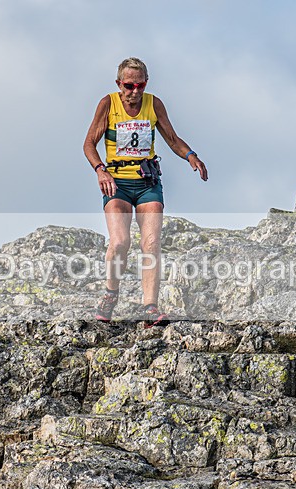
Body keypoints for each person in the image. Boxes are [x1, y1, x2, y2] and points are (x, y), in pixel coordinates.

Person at [83, 57, 208, 327]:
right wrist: (100, 170)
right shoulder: (108, 104)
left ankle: (150, 307)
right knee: (119, 242)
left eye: (140, 85)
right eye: (129, 86)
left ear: (146, 83)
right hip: (117, 183)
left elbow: (172, 139)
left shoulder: (154, 104)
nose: (135, 92)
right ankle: (110, 294)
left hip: (147, 183)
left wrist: (191, 156)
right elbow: (89, 144)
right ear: (119, 84)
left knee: (151, 243)